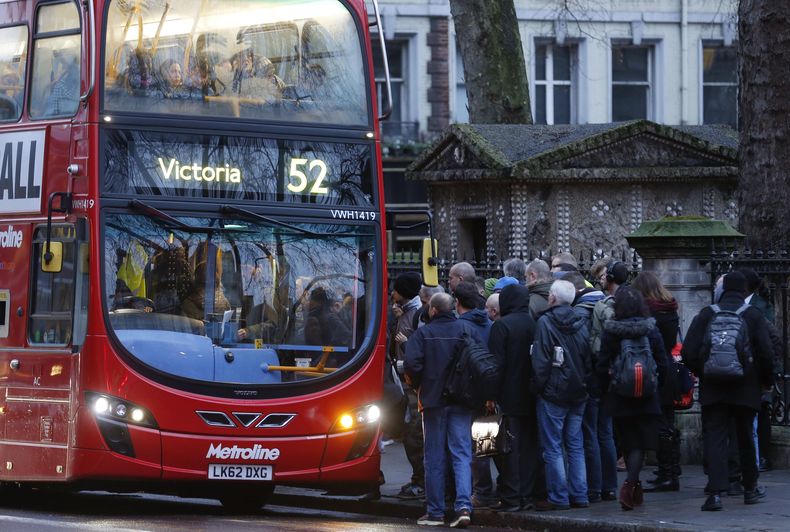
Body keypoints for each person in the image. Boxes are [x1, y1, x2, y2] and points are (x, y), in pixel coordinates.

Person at [682, 271, 774, 512]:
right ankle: (750, 488)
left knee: (715, 438)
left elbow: (688, 351)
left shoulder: (707, 314)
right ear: (744, 290)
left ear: (722, 291)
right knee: (745, 438)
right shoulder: (752, 315)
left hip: (714, 388)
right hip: (746, 387)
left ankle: (715, 493)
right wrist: (765, 380)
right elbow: (766, 352)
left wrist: (704, 371)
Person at [404, 293, 478, 528]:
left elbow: (412, 365)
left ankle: (435, 511)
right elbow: (480, 362)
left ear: (433, 310)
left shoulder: (423, 333)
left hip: (433, 401)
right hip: (461, 400)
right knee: (462, 454)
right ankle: (464, 506)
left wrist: (419, 386)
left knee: (434, 457)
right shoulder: (467, 330)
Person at [597, 287, 668, 511]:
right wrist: (657, 384)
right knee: (640, 443)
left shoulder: (612, 332)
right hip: (647, 394)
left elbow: (602, 363)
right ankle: (632, 485)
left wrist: (602, 387)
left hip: (620, 393)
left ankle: (630, 486)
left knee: (627, 441)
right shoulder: (651, 330)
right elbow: (662, 362)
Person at [531, 280, 592, 511]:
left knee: (553, 447)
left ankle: (558, 496)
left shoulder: (545, 322)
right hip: (578, 391)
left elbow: (541, 361)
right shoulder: (582, 320)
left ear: (553, 298)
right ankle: (580, 494)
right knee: (575, 445)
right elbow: (589, 357)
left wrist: (538, 387)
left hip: (553, 392)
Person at [487, 283, 543, 512]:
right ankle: (527, 494)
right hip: (531, 394)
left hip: (508, 395)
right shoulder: (534, 323)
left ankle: (511, 496)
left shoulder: (501, 326)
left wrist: (490, 395)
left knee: (508, 448)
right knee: (529, 448)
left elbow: (495, 365)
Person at [569, 271, 617, 503]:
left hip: (590, 379)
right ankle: (610, 487)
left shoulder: (579, 312)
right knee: (606, 433)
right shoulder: (606, 305)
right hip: (608, 377)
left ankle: (595, 488)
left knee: (590, 434)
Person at [632, 272, 682, 492]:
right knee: (668, 422)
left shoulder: (650, 312)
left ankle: (668, 473)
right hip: (669, 367)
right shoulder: (669, 309)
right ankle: (669, 469)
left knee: (661, 424)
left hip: (655, 368)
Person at [390, 272, 427, 501]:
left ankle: (421, 480)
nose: (392, 293)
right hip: (404, 381)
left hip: (412, 383)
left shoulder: (416, 315)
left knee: (414, 434)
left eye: (395, 290)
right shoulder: (404, 313)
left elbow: (419, 347)